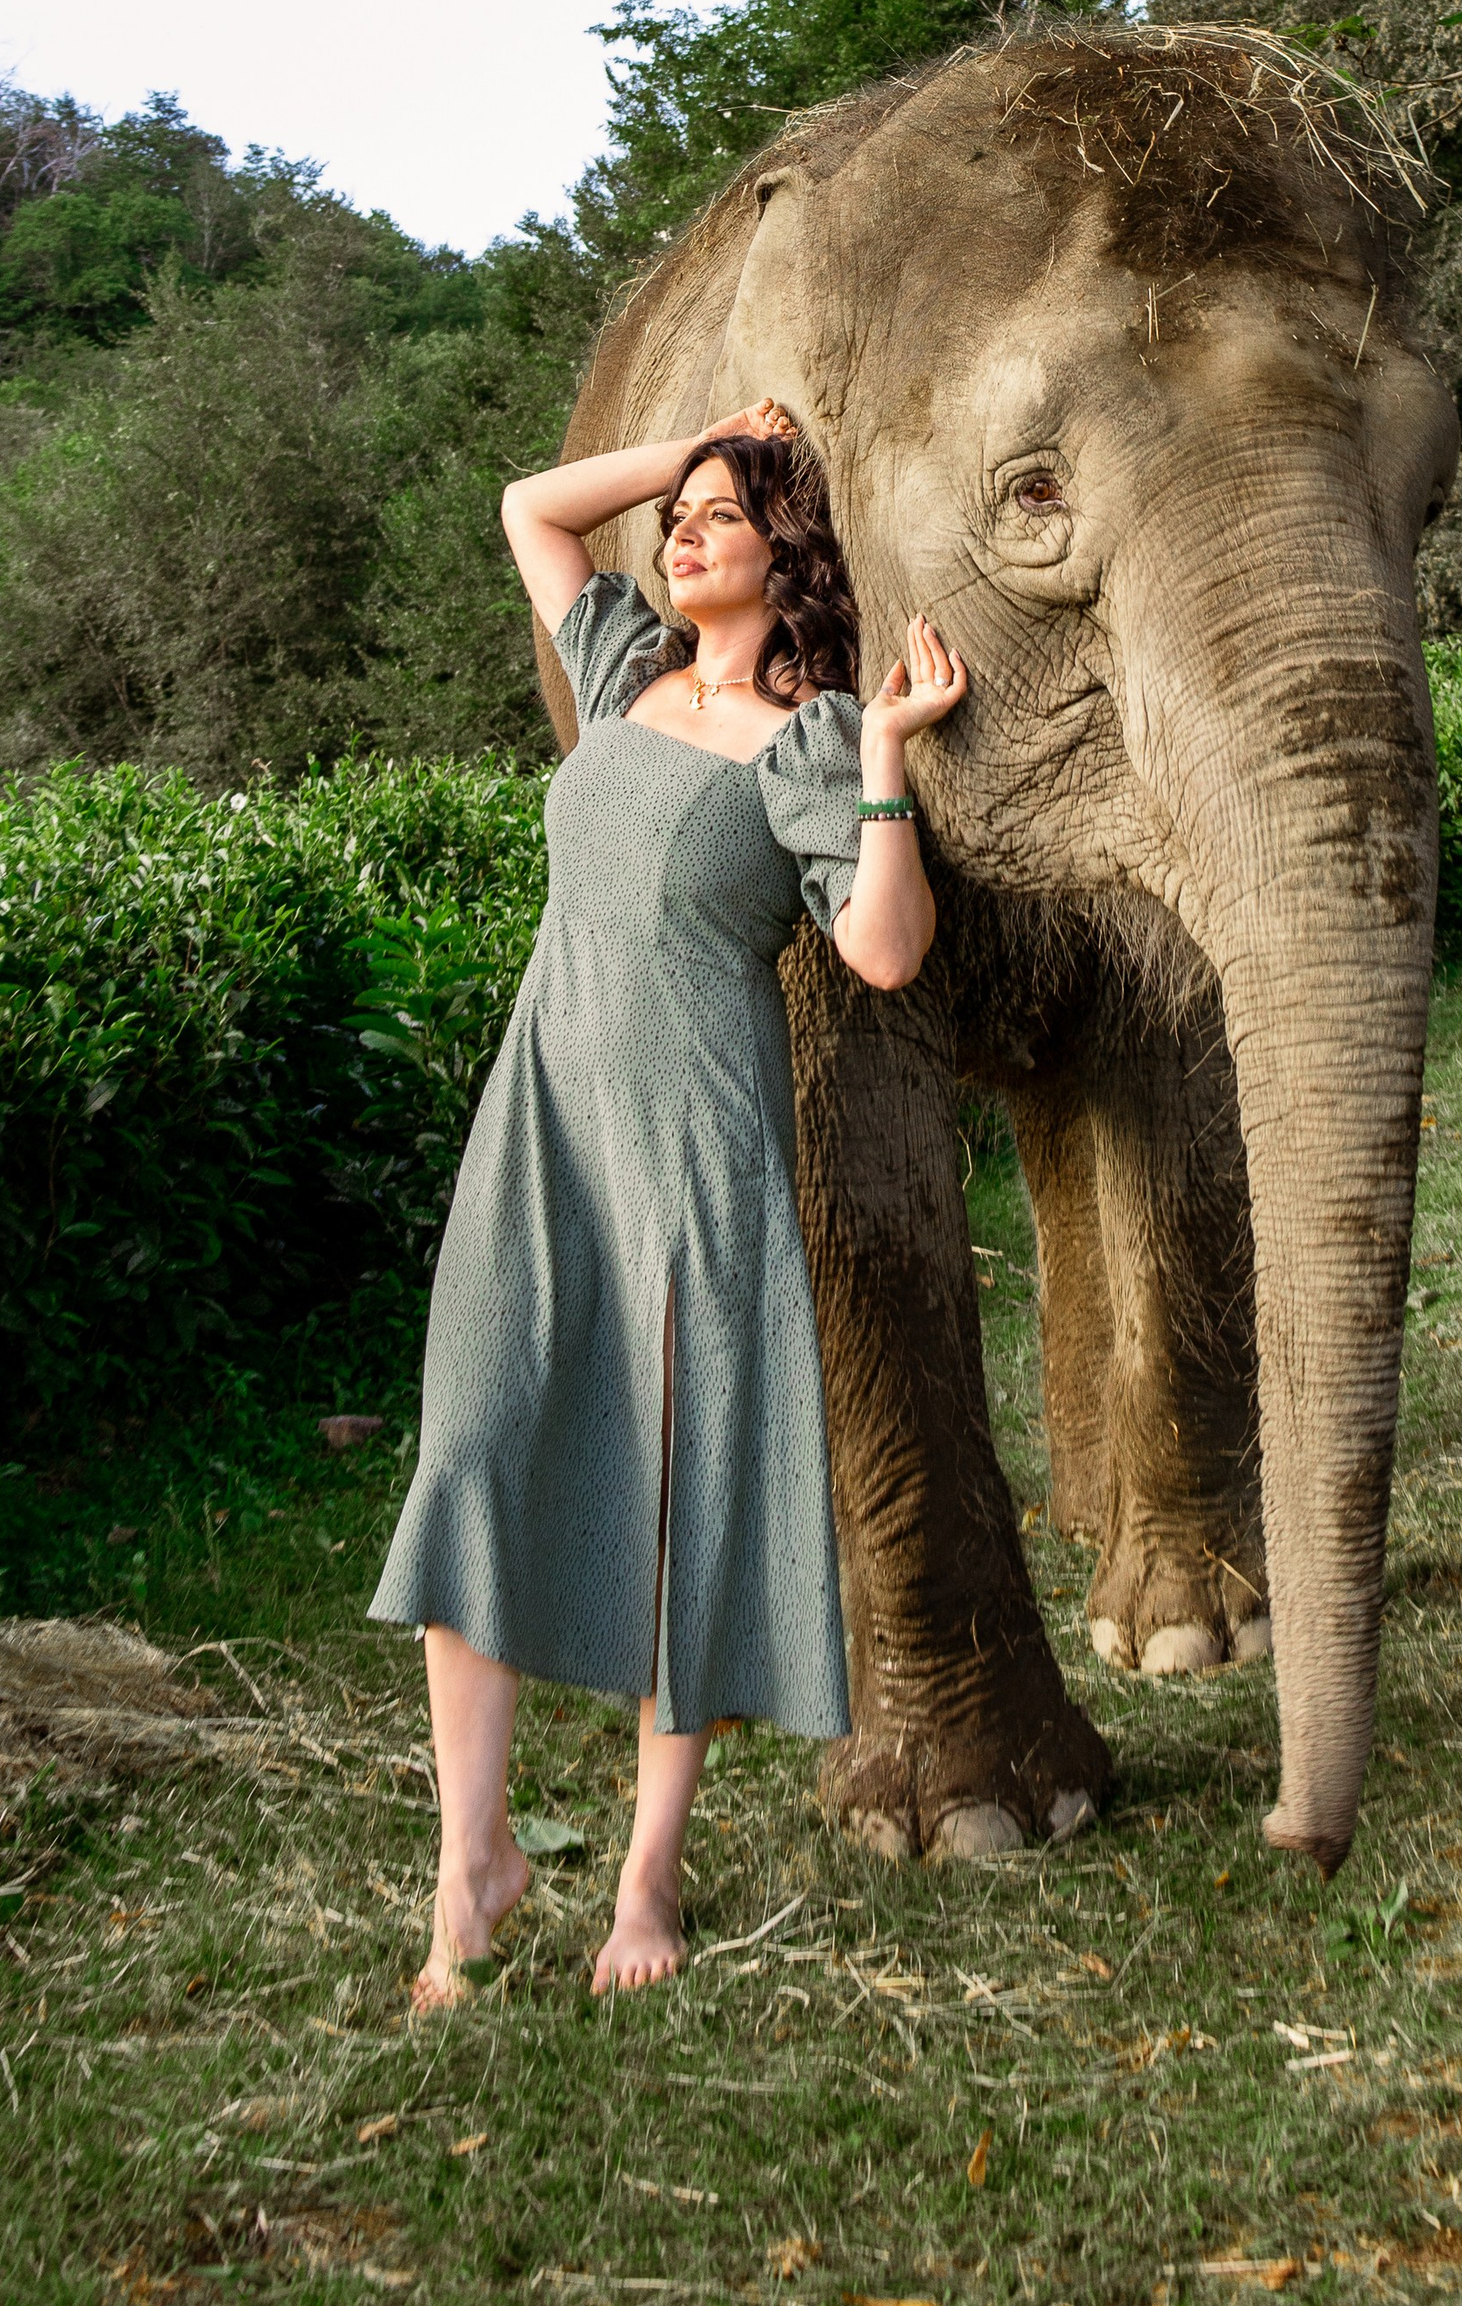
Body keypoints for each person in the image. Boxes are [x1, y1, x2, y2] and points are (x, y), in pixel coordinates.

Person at [367, 402, 969, 2001]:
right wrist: (699, 437)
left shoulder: (813, 732)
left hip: (701, 1150)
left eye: (721, 514)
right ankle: (473, 1858)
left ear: (790, 551)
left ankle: (645, 1880)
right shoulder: (625, 664)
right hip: (546, 1116)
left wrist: (892, 757)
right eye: (683, 514)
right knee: (475, 1449)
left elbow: (886, 950)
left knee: (683, 1506)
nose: (684, 530)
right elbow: (531, 503)